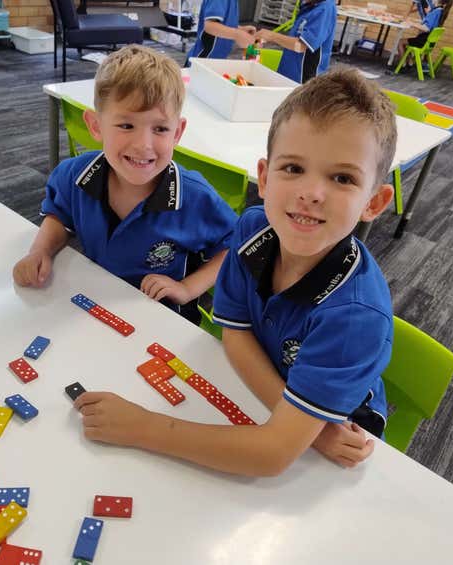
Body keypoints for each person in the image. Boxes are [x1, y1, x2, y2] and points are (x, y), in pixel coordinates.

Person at [73, 68, 398, 476]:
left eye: (342, 178)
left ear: (374, 202)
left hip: (340, 439)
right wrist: (304, 427)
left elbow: (271, 455)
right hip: (274, 401)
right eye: (293, 169)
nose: (311, 193)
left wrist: (143, 427)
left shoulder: (355, 318)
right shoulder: (251, 230)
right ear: (263, 177)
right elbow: (236, 335)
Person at [13, 45, 238, 323]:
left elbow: (235, 247)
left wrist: (188, 288)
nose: (143, 145)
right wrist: (40, 251)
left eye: (160, 129)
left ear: (177, 132)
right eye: (126, 126)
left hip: (162, 322)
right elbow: (59, 215)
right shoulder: (73, 175)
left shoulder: (195, 197)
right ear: (96, 126)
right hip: (92, 307)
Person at [255, 0, 337, 83]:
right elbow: (294, 38)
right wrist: (267, 39)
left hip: (303, 80)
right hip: (289, 72)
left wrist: (271, 36)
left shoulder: (325, 9)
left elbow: (300, 46)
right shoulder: (309, 5)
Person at [185, 0, 256, 63]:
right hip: (202, 60)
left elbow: (224, 22)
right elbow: (210, 26)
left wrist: (240, 29)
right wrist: (237, 34)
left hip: (215, 59)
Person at [396, 0, 444, 72]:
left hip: (424, 40)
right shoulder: (440, 10)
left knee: (401, 42)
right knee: (407, 42)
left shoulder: (435, 11)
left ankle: (403, 66)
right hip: (428, 42)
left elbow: (426, 28)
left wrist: (412, 23)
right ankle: (410, 62)